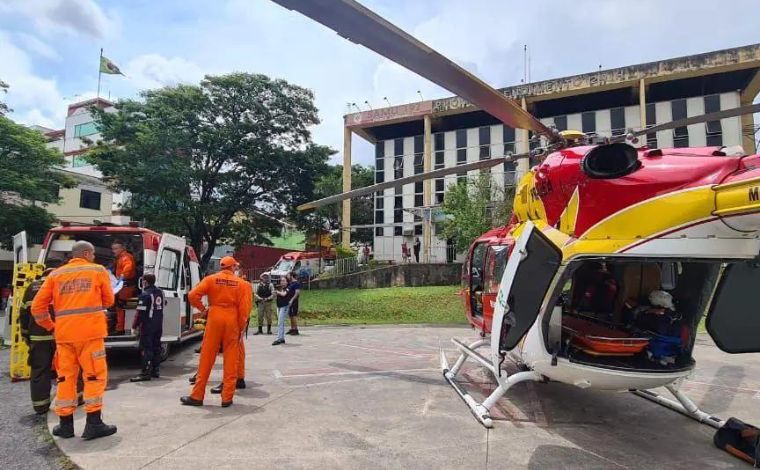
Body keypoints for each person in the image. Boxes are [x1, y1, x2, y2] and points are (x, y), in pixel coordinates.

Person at [31, 240, 117, 440]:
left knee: (65, 379)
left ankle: (65, 425)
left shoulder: (55, 275)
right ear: (87, 253)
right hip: (90, 334)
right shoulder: (97, 271)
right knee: (94, 376)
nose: (94, 257)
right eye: (93, 254)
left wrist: (51, 326)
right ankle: (94, 423)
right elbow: (109, 300)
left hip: (64, 336)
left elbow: (37, 308)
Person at [181, 256, 251, 408]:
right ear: (233, 267)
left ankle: (197, 395)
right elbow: (244, 309)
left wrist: (203, 309)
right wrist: (240, 328)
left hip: (214, 317)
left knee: (206, 356)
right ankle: (226, 398)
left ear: (221, 266)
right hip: (232, 319)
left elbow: (192, 295)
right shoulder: (242, 284)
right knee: (231, 358)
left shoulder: (211, 279)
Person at [20, 268, 56, 414]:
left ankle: (40, 406)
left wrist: (26, 335)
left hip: (38, 336)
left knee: (40, 370)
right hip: (60, 334)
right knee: (69, 368)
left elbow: (24, 314)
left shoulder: (31, 288)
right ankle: (75, 399)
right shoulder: (60, 283)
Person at [130, 274, 164, 382]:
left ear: (145, 282)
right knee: (156, 347)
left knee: (146, 349)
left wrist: (134, 326)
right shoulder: (160, 292)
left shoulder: (145, 295)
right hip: (158, 324)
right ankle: (155, 370)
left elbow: (140, 312)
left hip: (148, 325)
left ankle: (145, 373)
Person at [112, 240, 138, 334]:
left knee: (120, 306)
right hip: (123, 286)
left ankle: (120, 329)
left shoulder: (125, 258)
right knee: (120, 307)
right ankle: (119, 328)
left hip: (126, 287)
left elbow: (128, 268)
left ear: (122, 248)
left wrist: (121, 278)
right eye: (113, 249)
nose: (113, 251)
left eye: (116, 248)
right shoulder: (121, 258)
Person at [272, 277, 293, 346]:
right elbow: (276, 296)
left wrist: (277, 292)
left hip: (284, 307)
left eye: (284, 281)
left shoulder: (288, 287)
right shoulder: (280, 288)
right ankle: (282, 338)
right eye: (281, 281)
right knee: (281, 323)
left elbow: (284, 294)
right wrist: (274, 293)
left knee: (280, 323)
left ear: (287, 282)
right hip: (279, 306)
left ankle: (279, 339)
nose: (282, 282)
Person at [285, 271, 301, 336]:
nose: (287, 276)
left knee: (294, 315)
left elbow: (297, 293)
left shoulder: (296, 283)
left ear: (291, 276)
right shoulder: (290, 283)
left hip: (294, 301)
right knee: (290, 315)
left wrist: (291, 300)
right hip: (289, 301)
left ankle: (296, 329)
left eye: (288, 275)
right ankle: (292, 328)